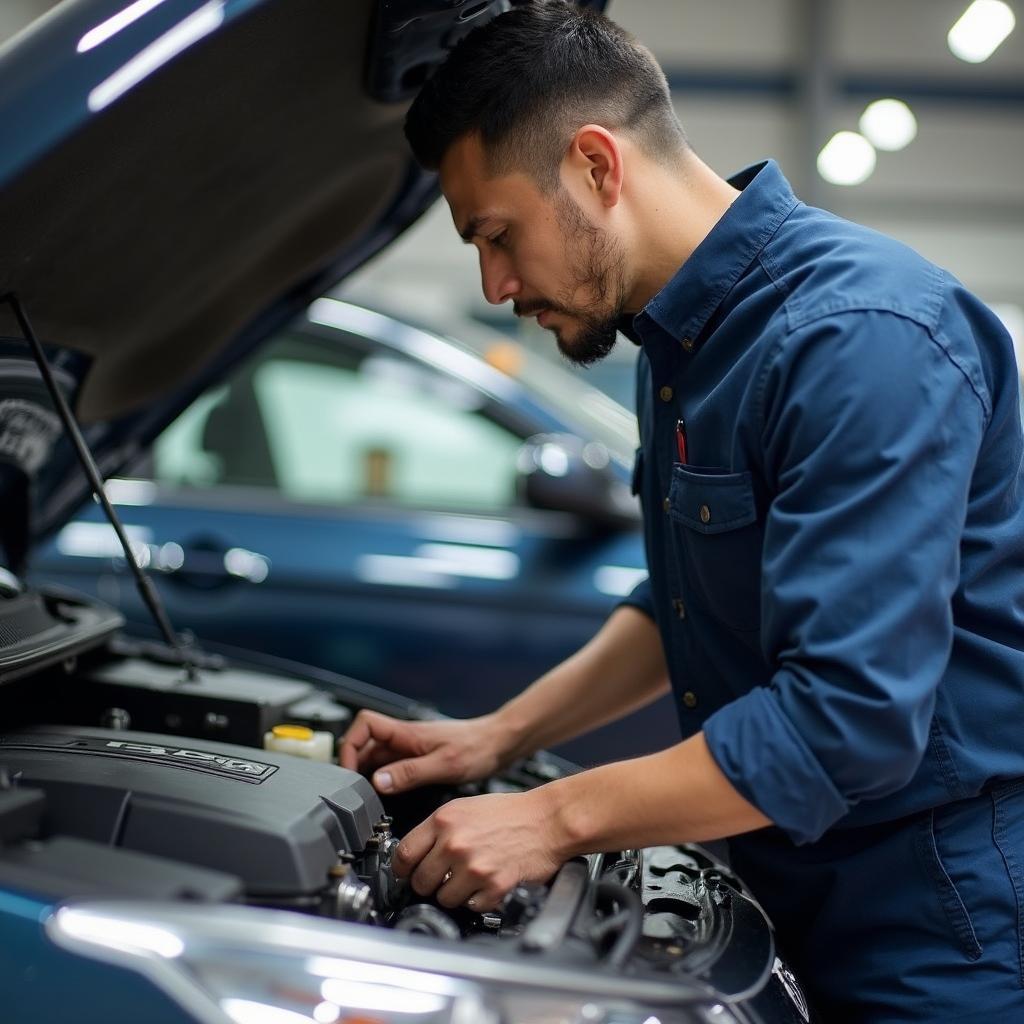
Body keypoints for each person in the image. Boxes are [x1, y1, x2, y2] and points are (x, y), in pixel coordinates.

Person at [339, 3, 1024, 1019]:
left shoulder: (857, 339)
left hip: (932, 924)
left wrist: (555, 816)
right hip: (787, 881)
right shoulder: (681, 344)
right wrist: (495, 737)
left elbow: (845, 723)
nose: (492, 284)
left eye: (496, 234)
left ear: (595, 167)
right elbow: (687, 602)